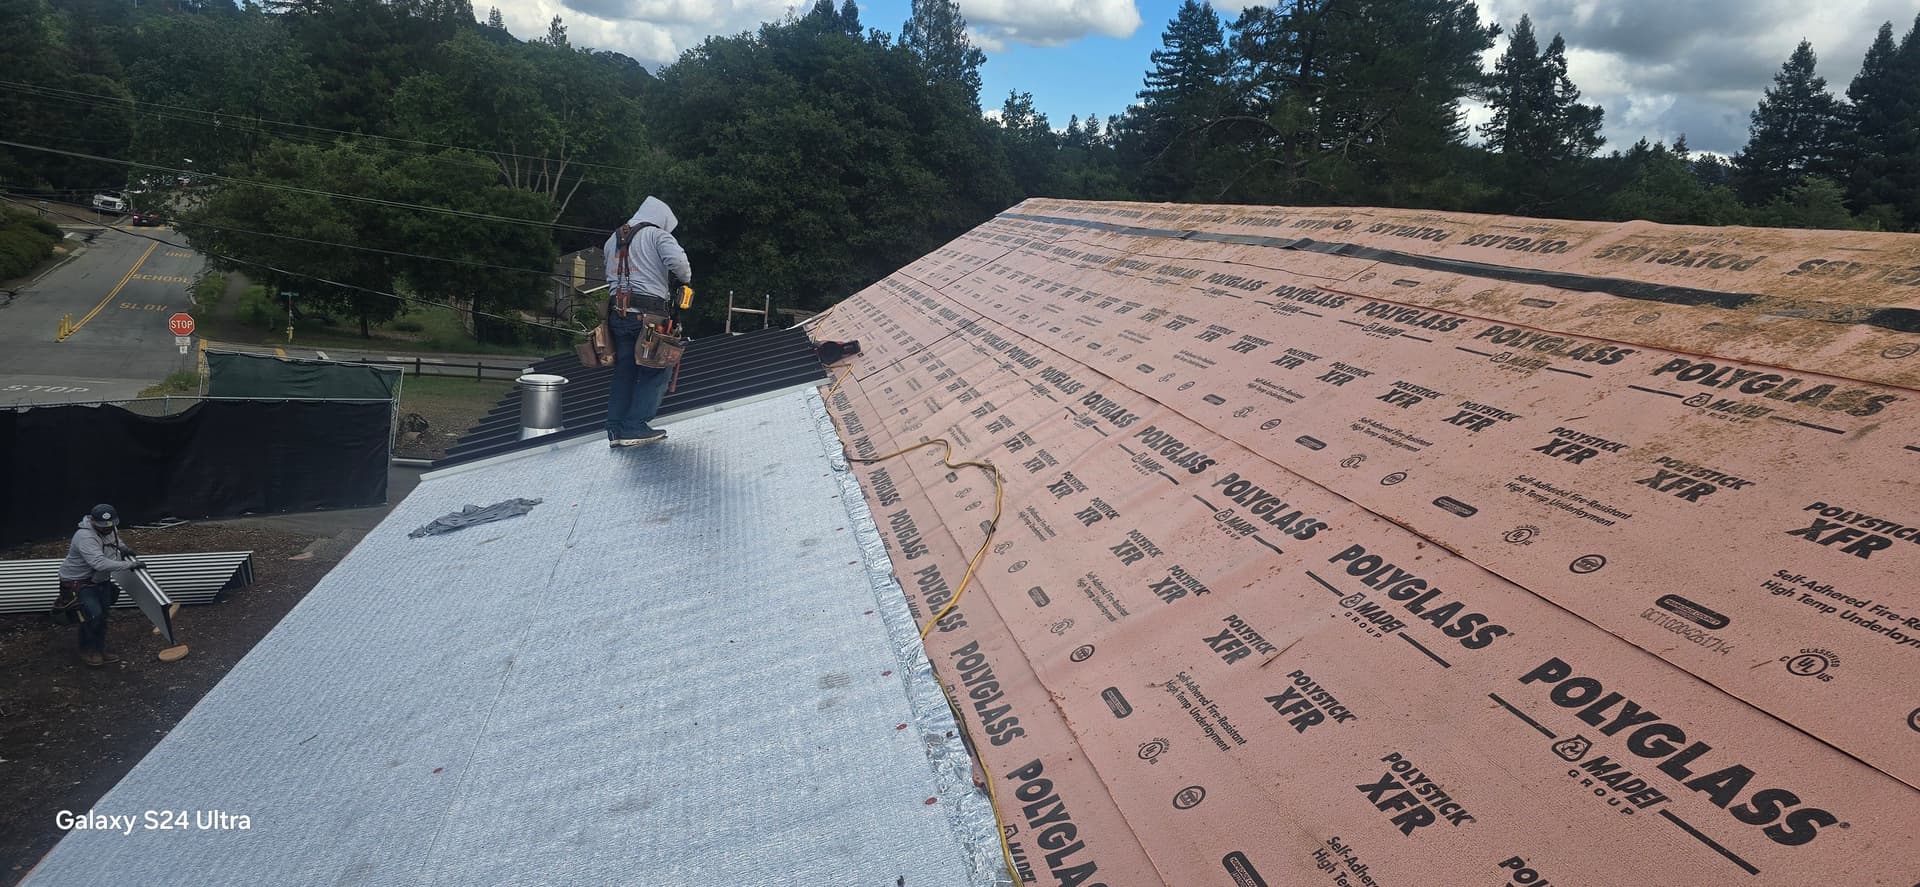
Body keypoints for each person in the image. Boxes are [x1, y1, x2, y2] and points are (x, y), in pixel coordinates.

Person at [602, 196, 692, 447]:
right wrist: (681, 281)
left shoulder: (614, 238)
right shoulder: (657, 235)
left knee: (625, 371)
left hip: (617, 317)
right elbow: (681, 267)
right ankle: (635, 426)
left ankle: (616, 428)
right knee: (657, 368)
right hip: (649, 317)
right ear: (661, 219)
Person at [54, 504, 140, 667]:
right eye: (103, 526)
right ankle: (88, 650)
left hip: (99, 579)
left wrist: (125, 549)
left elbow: (115, 540)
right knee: (92, 615)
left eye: (111, 526)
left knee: (103, 615)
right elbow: (99, 563)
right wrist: (128, 565)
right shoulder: (85, 537)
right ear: (92, 521)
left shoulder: (110, 528)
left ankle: (100, 648)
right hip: (79, 582)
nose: (108, 529)